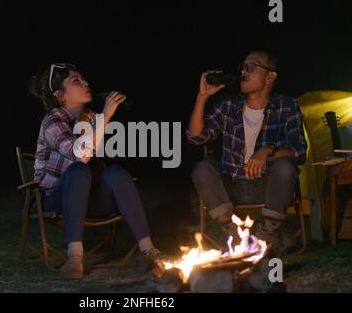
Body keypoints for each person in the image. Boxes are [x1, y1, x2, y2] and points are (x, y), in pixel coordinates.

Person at [29, 63, 162, 279]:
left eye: (83, 79)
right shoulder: (53, 121)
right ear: (61, 95)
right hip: (55, 200)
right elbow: (80, 156)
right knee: (79, 170)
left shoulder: (90, 117)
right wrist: (106, 117)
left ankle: (148, 249)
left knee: (116, 172)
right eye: (76, 81)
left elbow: (96, 164)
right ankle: (75, 257)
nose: (86, 83)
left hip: (87, 198)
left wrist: (100, 119)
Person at [188, 51, 307, 252]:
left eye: (251, 67)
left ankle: (267, 234)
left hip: (265, 184)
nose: (244, 71)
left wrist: (267, 151)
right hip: (231, 184)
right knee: (202, 169)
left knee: (286, 167)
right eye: (243, 67)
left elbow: (299, 150)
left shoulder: (286, 105)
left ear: (270, 76)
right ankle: (233, 233)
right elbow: (195, 137)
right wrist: (202, 97)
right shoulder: (228, 106)